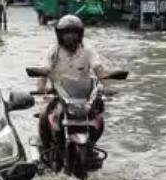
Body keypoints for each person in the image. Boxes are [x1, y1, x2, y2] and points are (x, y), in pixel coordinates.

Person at [37, 15, 114, 155]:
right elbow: (44, 71)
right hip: (58, 96)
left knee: (99, 119)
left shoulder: (87, 50)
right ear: (60, 35)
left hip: (82, 97)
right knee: (43, 115)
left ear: (80, 34)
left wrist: (107, 87)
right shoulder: (53, 51)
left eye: (74, 33)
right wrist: (40, 91)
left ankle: (90, 146)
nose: (70, 37)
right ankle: (46, 149)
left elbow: (99, 69)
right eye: (66, 33)